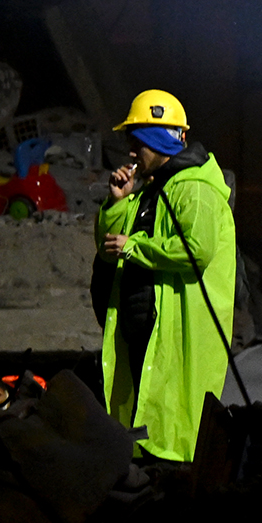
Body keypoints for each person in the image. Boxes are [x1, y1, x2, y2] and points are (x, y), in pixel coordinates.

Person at [92, 86, 238, 464]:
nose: (131, 152)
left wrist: (135, 248)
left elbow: (196, 250)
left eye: (136, 142)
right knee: (146, 424)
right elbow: (109, 244)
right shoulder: (154, 190)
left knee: (173, 427)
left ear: (156, 140)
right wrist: (117, 202)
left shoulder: (194, 190)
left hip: (176, 331)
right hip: (147, 329)